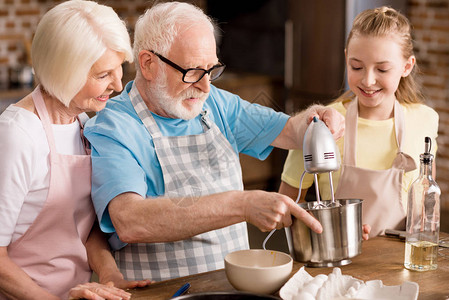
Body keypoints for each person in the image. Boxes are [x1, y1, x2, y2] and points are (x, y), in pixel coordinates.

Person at [83, 1, 345, 282]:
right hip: (161, 292)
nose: (206, 86)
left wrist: (318, 118)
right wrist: (242, 205)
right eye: (193, 72)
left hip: (230, 287)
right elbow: (130, 221)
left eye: (211, 70)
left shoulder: (215, 104)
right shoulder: (114, 125)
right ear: (148, 64)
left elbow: (290, 130)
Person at [0, 1, 152, 299]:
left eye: (119, 70)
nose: (119, 85)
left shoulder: (83, 124)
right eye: (103, 75)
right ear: (64, 71)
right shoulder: (17, 135)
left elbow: (82, 227)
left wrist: (111, 276)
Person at [279, 6, 439, 238]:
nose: (368, 80)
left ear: (407, 67)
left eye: (382, 69)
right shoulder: (318, 126)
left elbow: (426, 202)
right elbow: (288, 206)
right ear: (346, 58)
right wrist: (328, 228)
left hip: (401, 265)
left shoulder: (424, 120)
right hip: (335, 264)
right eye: (356, 66)